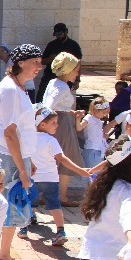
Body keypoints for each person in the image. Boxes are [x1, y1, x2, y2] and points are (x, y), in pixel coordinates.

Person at [0, 44, 44, 260]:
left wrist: (28, 161)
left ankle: (3, 254)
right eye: (35, 63)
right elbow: (9, 133)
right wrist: (22, 168)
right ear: (21, 63)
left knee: (12, 206)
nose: (39, 68)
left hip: (18, 156)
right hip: (9, 157)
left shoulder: (18, 87)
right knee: (1, 207)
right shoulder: (11, 90)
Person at [19, 108, 90, 246]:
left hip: (32, 178)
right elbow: (62, 159)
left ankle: (23, 228)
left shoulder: (28, 138)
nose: (57, 125)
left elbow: (23, 157)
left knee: (29, 203)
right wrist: (80, 170)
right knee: (55, 206)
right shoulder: (51, 140)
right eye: (54, 123)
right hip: (51, 179)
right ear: (42, 125)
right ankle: (61, 231)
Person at [41, 52, 85, 206]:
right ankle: (62, 196)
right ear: (67, 70)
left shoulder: (53, 82)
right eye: (75, 69)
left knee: (51, 158)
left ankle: (46, 194)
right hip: (62, 125)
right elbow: (50, 106)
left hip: (60, 121)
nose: (77, 73)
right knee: (66, 157)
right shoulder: (63, 87)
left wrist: (70, 112)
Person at [36, 23, 83, 101]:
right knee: (41, 97)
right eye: (57, 35)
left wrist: (77, 80)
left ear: (66, 32)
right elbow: (42, 61)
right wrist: (51, 58)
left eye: (60, 34)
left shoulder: (74, 45)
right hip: (50, 76)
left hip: (66, 77)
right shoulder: (51, 45)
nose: (58, 37)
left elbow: (78, 63)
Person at [77, 97, 110, 170]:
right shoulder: (89, 118)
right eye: (104, 112)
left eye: (107, 112)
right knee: (92, 173)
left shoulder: (98, 120)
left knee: (97, 173)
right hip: (91, 150)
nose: (105, 115)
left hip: (98, 150)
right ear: (95, 110)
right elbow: (79, 128)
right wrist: (78, 119)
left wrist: (103, 136)